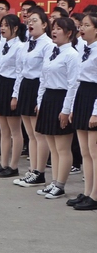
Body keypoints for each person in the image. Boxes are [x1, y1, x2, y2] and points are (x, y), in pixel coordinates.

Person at [34, 17, 81, 198]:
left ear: (69, 33)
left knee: (62, 147)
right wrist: (40, 102)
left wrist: (66, 110)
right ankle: (54, 182)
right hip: (49, 98)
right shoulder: (52, 51)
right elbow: (43, 79)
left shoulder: (72, 55)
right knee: (52, 147)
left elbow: (73, 85)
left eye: (59, 28)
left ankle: (60, 185)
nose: (54, 31)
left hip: (62, 99)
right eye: (53, 28)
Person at [12, 8, 53, 187]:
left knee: (39, 134)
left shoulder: (48, 44)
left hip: (38, 86)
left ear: (44, 25)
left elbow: (45, 72)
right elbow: (19, 71)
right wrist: (15, 94)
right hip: (26, 86)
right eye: (29, 20)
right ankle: (32, 170)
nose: (30, 23)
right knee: (30, 134)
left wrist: (39, 99)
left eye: (35, 20)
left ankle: (39, 172)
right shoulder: (27, 44)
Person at [0, 15, 28, 177]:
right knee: (3, 129)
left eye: (6, 25)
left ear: (15, 28)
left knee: (15, 130)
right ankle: (3, 163)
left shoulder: (20, 46)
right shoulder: (0, 45)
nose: (2, 28)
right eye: (2, 25)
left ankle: (14, 166)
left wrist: (15, 95)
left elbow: (19, 72)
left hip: (12, 85)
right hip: (1, 85)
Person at [66, 12, 97, 209]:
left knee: (94, 152)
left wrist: (95, 112)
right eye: (82, 25)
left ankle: (95, 195)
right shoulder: (82, 49)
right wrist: (72, 107)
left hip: (93, 97)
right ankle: (86, 192)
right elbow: (76, 80)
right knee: (85, 151)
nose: (82, 28)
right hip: (82, 96)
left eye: (86, 25)